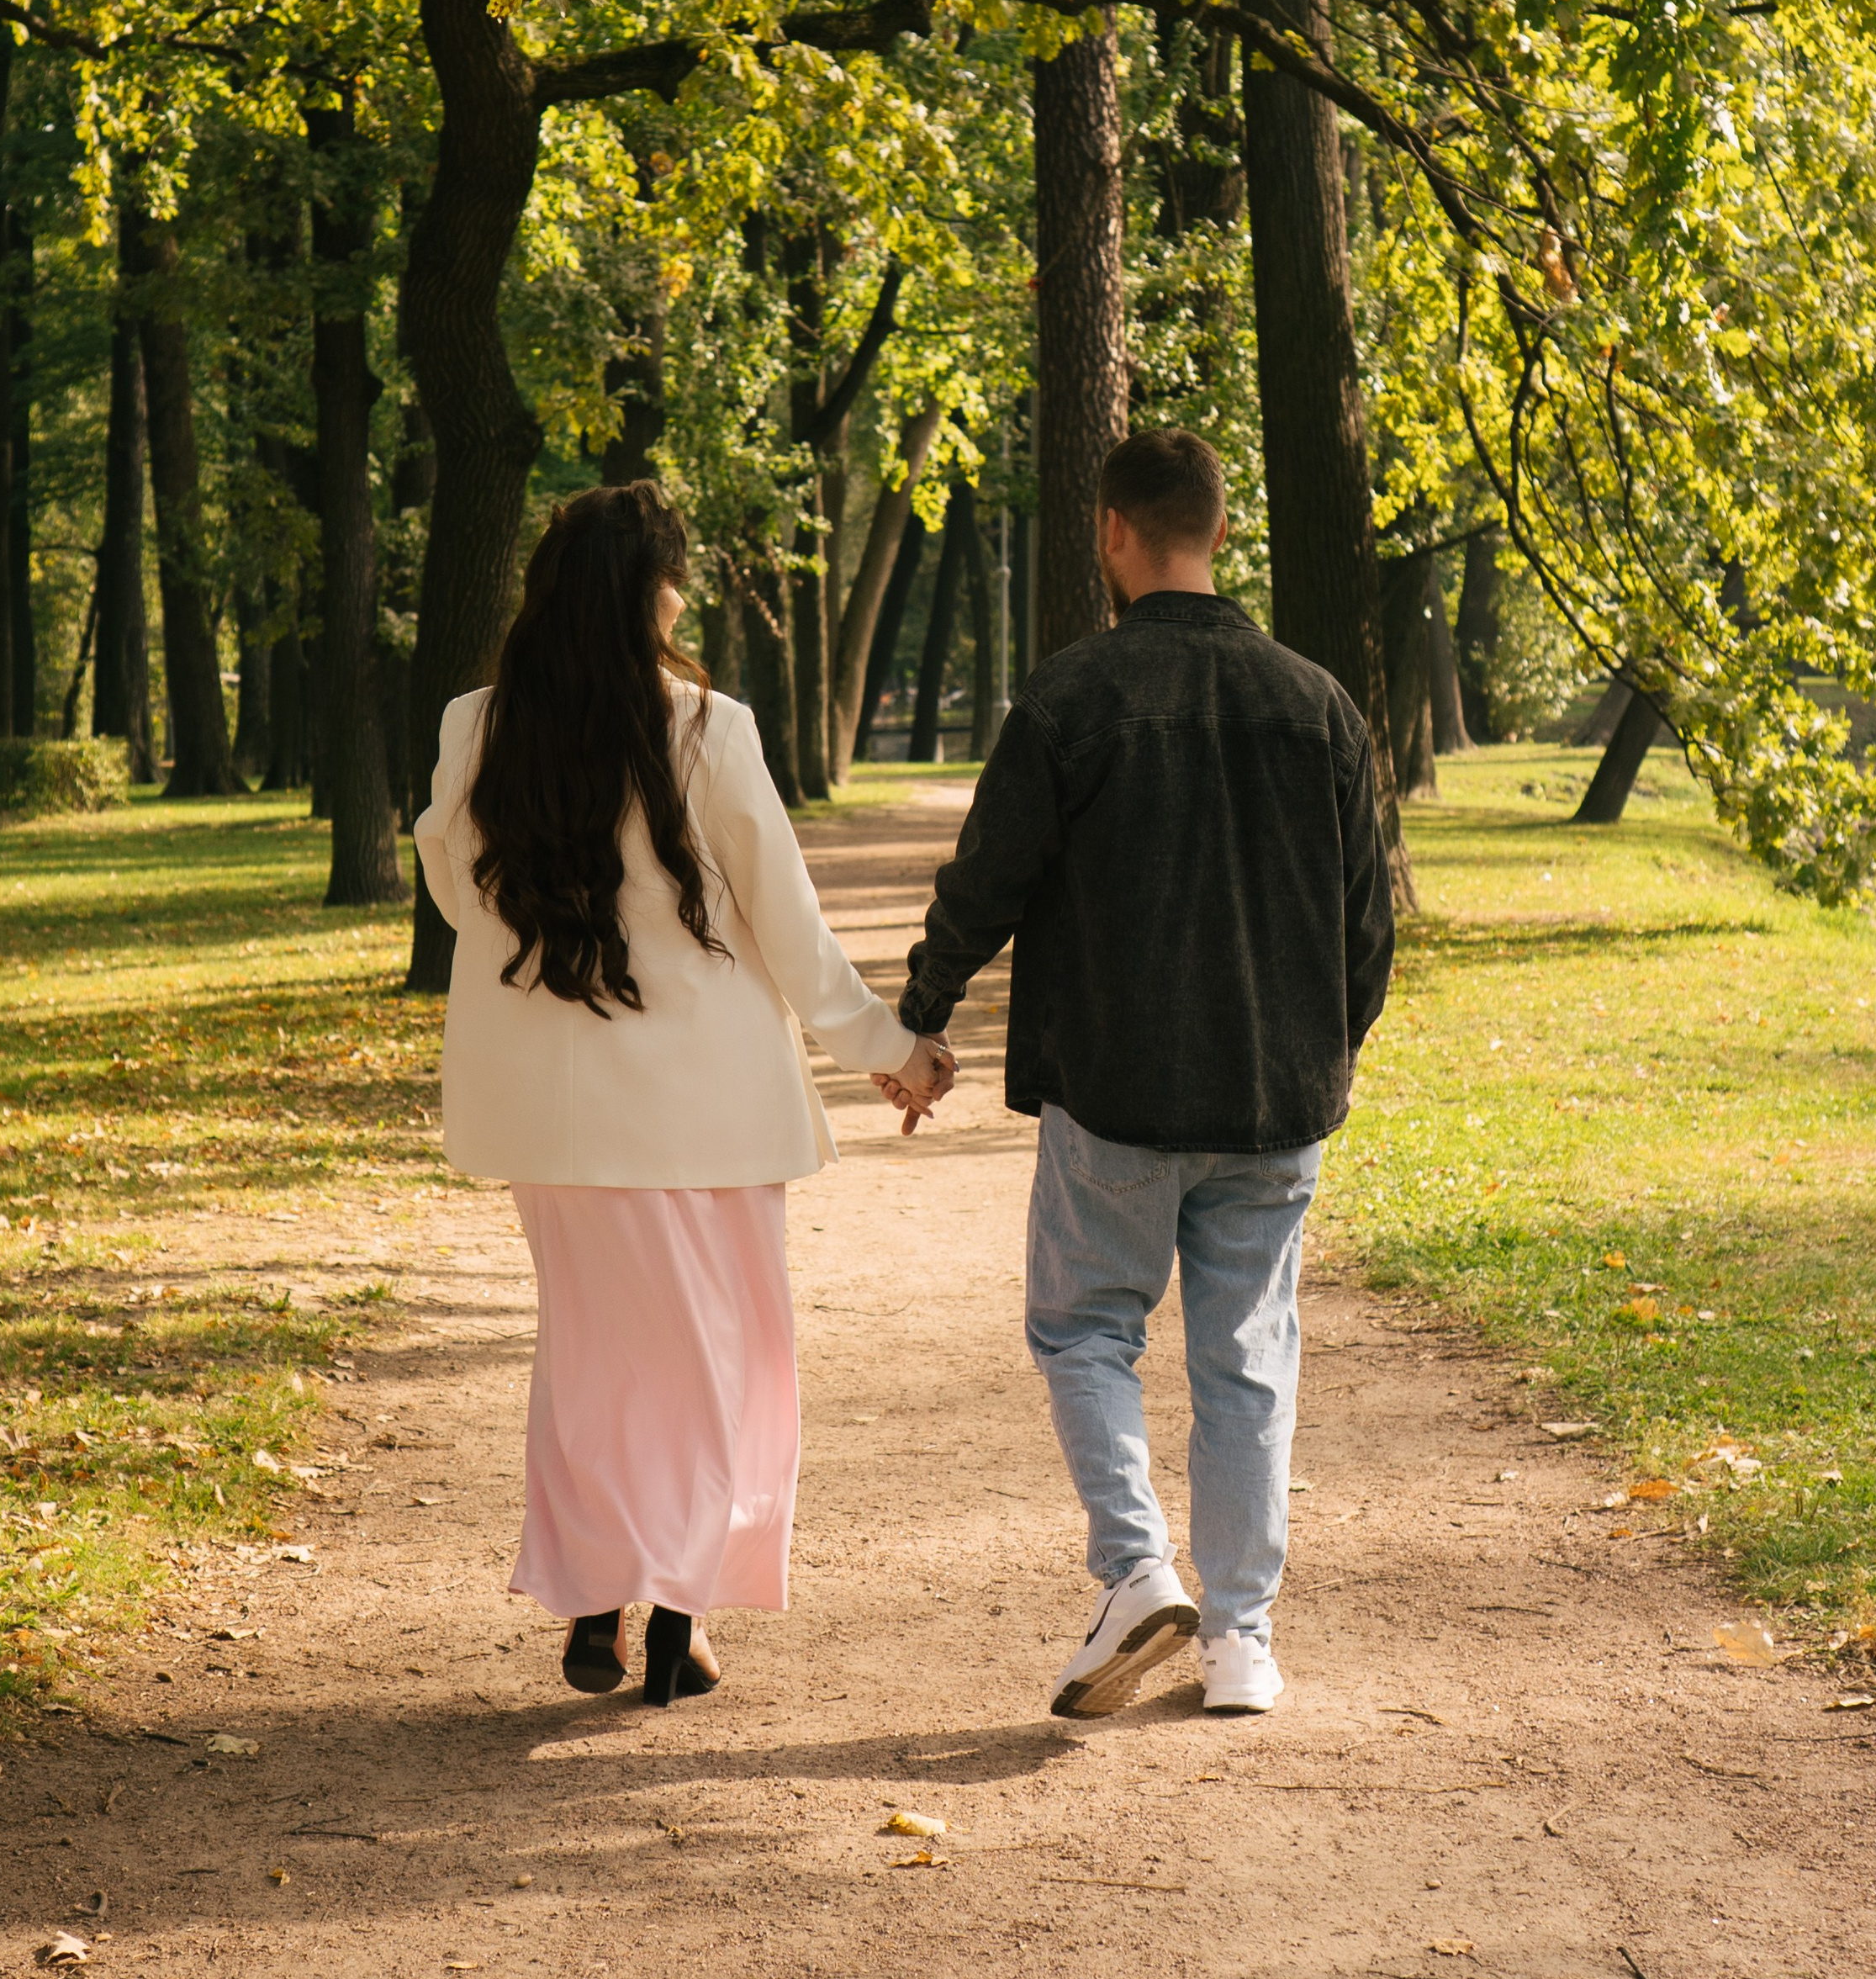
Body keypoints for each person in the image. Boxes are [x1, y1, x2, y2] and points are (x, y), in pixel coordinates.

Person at [415, 484, 953, 1708]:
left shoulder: (475, 727)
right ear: (651, 592)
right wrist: (892, 1045)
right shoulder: (708, 727)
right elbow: (789, 925)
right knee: (723, 1360)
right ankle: (681, 1616)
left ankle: (597, 1605)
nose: (683, 597)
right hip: (703, 1110)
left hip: (551, 1115)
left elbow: (457, 896)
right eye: (678, 577)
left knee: (594, 1356)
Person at [897, 428, 1393, 1719]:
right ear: (1218, 533)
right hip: (1275, 1097)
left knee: (1083, 1329)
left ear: (1113, 533)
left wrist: (923, 1014)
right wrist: (1323, 1054)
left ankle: (1134, 1570)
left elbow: (987, 879)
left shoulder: (1070, 700)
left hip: (1115, 1089)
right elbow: (1367, 923)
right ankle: (1241, 1642)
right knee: (1248, 1361)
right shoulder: (1318, 703)